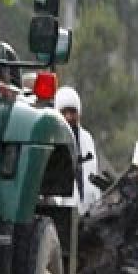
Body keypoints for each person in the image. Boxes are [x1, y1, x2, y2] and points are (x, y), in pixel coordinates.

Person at [55, 86, 101, 214]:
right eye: (64, 112)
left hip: (85, 210)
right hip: (60, 210)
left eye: (72, 112)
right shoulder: (52, 138)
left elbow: (91, 173)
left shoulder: (86, 138)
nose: (69, 117)